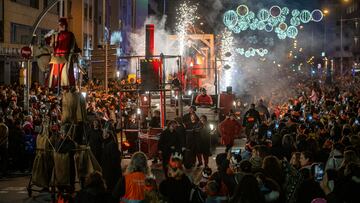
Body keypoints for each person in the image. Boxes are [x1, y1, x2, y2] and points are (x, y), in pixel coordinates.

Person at [46, 18, 80, 89]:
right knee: (55, 73)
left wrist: (77, 51)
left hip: (66, 57)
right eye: (59, 25)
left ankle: (64, 86)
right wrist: (50, 34)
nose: (60, 26)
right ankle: (54, 86)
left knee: (65, 73)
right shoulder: (55, 35)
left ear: (65, 25)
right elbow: (48, 41)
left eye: (61, 25)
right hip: (56, 57)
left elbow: (74, 44)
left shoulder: (70, 34)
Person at [101, 127, 122, 192]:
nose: (102, 135)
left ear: (108, 135)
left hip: (112, 174)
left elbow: (115, 160)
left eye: (104, 133)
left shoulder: (111, 145)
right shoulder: (106, 144)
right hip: (109, 172)